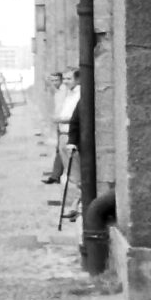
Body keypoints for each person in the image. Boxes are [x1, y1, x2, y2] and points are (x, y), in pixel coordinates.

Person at [56, 67, 82, 220]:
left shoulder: (79, 94)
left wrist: (60, 119)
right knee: (71, 174)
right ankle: (75, 205)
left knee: (76, 174)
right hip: (63, 135)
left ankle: (78, 207)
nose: (65, 82)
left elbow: (74, 118)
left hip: (71, 136)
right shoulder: (68, 94)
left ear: (78, 79)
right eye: (64, 78)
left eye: (69, 79)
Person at [42, 70, 66, 184]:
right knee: (59, 149)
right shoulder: (57, 92)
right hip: (59, 123)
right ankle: (56, 175)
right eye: (53, 80)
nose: (54, 82)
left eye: (56, 80)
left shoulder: (64, 91)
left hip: (64, 122)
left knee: (61, 149)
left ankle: (56, 175)